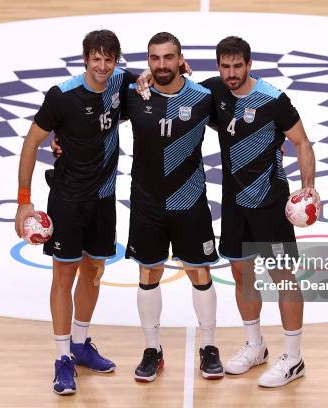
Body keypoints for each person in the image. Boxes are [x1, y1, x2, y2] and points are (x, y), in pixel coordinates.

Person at [138, 35, 320, 388]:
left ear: (249, 65)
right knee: (241, 275)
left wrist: (308, 187)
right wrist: (149, 74)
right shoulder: (215, 93)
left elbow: (302, 142)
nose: (232, 73)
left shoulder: (273, 100)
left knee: (283, 278)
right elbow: (174, 84)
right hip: (236, 205)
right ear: (219, 67)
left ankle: (294, 358)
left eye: (238, 66)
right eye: (226, 66)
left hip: (269, 202)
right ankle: (256, 346)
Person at [14, 29, 137, 395]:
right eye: (95, 59)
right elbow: (32, 141)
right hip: (67, 199)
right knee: (63, 275)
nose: (102, 66)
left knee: (94, 270)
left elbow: (153, 81)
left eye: (109, 59)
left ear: (116, 60)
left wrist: (181, 66)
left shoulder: (121, 83)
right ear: (85, 59)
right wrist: (24, 200)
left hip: (104, 197)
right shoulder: (63, 96)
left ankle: (81, 344)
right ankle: (62, 357)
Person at [122, 32, 224, 382]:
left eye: (169, 58)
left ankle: (209, 346)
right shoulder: (133, 94)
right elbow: (93, 118)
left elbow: (240, 117)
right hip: (147, 203)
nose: (162, 65)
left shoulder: (204, 96)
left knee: (199, 272)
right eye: (155, 58)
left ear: (181, 60)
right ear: (147, 61)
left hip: (190, 200)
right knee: (148, 273)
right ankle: (152, 349)